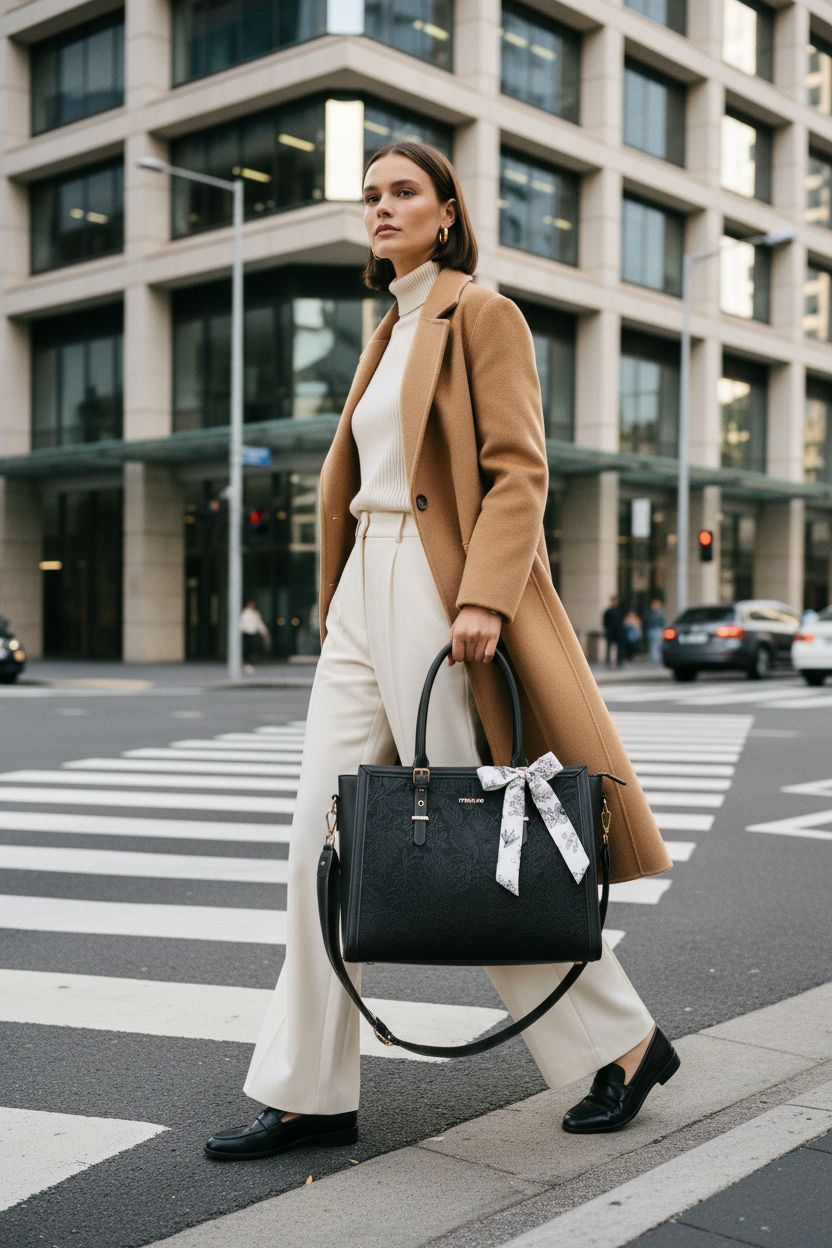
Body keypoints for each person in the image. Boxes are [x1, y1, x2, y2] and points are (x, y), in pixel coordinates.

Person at [206, 140, 678, 1161]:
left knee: (484, 839)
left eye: (403, 191)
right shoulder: (386, 328)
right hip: (362, 590)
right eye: (370, 194)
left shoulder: (481, 313)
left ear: (448, 211)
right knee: (316, 843)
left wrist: (483, 598)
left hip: (436, 584)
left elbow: (519, 471)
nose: (381, 207)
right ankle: (309, 1091)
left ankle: (626, 1043)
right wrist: (343, 598)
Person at [239, 599, 270, 674]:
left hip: (253, 633)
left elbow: (259, 623)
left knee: (252, 648)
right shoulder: (245, 613)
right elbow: (241, 623)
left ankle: (248, 663)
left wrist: (264, 631)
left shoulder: (255, 613)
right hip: (246, 633)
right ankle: (246, 663)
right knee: (247, 649)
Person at [602, 594, 625, 668]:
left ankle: (620, 661)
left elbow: (622, 622)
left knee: (620, 647)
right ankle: (608, 661)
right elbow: (605, 622)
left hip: (618, 632)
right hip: (611, 632)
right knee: (609, 647)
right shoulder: (608, 611)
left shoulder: (620, 611)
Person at [645, 597, 667, 665]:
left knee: (655, 645)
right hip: (655, 630)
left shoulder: (651, 613)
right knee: (655, 645)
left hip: (655, 630)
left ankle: (655, 659)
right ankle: (655, 659)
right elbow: (663, 622)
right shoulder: (658, 613)